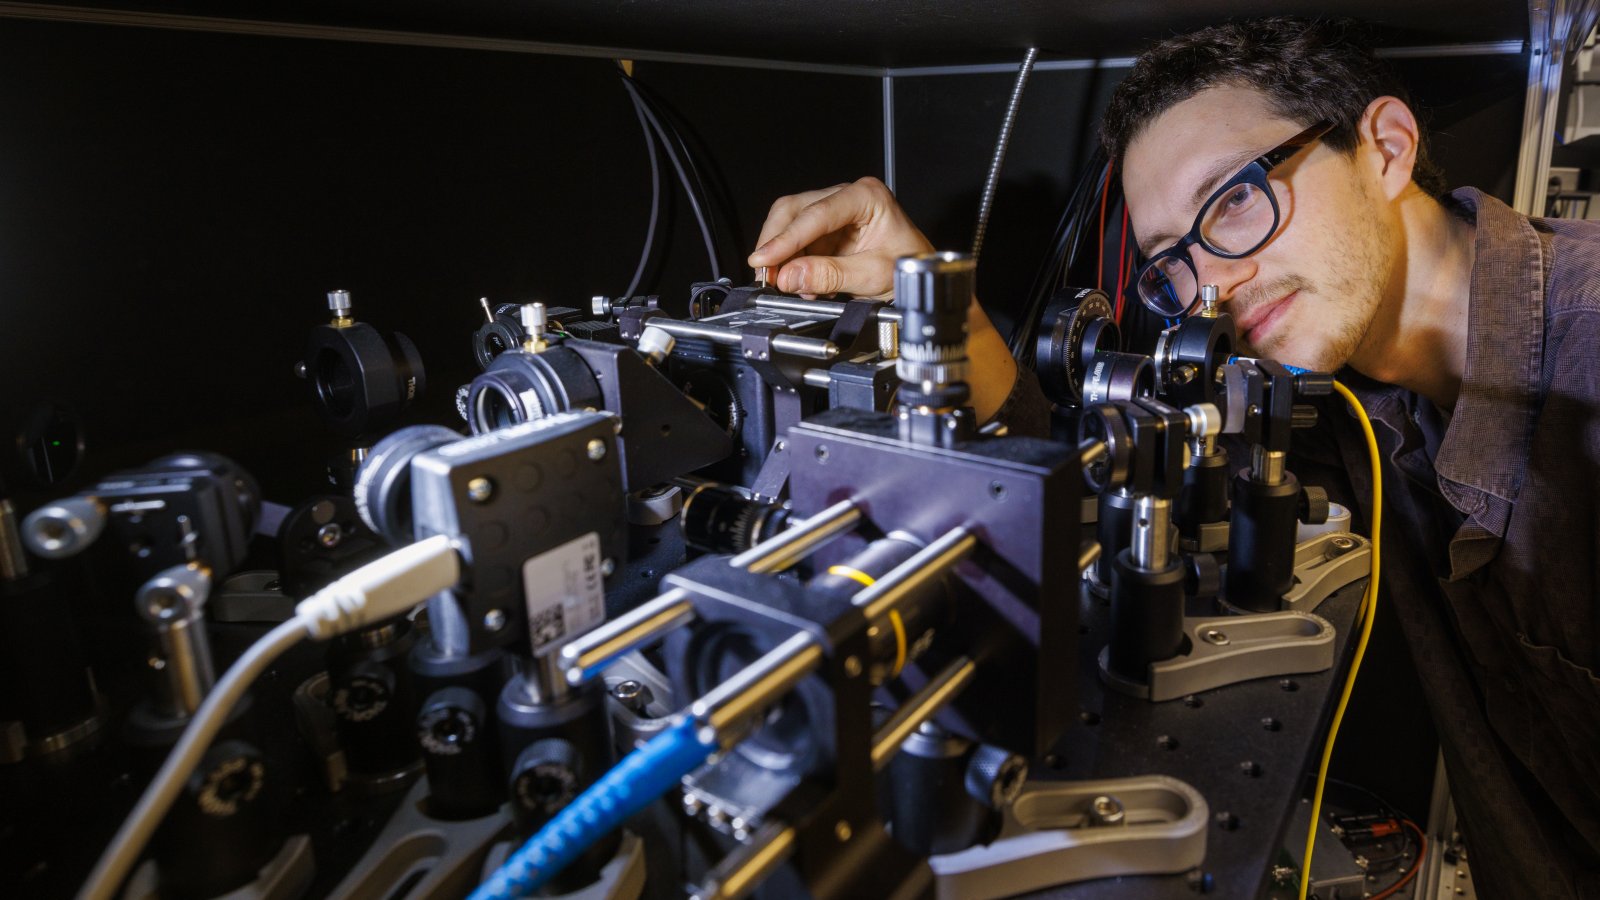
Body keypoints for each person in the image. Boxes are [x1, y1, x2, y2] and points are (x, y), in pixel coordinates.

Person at [749, 16, 1600, 898]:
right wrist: (941, 307)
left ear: (1384, 147)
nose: (1214, 284)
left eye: (1233, 198)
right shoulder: (1345, 394)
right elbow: (1101, 486)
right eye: (1174, 260)